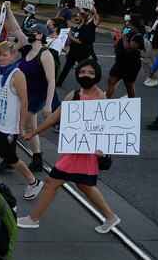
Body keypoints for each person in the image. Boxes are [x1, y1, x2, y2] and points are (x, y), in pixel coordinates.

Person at [18, 59, 121, 234]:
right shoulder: (73, 95)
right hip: (72, 150)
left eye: (90, 73)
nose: (85, 76)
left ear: (97, 76)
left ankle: (33, 218)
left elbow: (107, 129)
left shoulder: (101, 99)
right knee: (83, 185)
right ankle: (111, 217)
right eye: (82, 72)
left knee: (51, 182)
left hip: (87, 153)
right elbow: (54, 118)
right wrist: (33, 133)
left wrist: (103, 152)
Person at [0, 41, 44, 200]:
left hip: (7, 128)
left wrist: (21, 126)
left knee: (10, 158)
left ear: (13, 57)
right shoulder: (3, 70)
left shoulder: (17, 74)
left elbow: (24, 101)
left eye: (4, 55)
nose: (0, 58)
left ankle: (33, 182)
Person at [4, 2, 56, 172]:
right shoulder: (28, 47)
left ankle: (9, 158)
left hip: (36, 97)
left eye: (33, 32)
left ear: (40, 36)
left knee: (16, 122)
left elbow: (51, 81)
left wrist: (48, 104)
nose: (29, 34)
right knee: (31, 127)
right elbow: (17, 30)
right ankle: (37, 158)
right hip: (24, 94)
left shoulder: (45, 54)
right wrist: (9, 10)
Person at [105, 13, 144, 99]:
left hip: (130, 65)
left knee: (129, 85)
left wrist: (124, 36)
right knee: (111, 80)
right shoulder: (127, 35)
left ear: (134, 26)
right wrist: (117, 42)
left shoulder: (138, 37)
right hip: (120, 63)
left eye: (129, 26)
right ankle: (107, 98)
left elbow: (129, 48)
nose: (127, 28)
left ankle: (132, 102)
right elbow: (121, 45)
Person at [56, 8, 96, 87]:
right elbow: (74, 39)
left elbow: (81, 41)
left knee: (82, 69)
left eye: (78, 17)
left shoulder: (85, 28)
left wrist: (71, 37)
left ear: (83, 18)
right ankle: (59, 82)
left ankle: (87, 83)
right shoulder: (77, 27)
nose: (77, 18)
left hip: (81, 53)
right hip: (73, 52)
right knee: (66, 67)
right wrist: (69, 40)